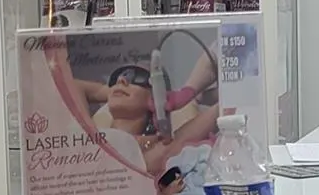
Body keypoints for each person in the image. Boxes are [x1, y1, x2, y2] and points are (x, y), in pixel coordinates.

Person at [67, 48, 219, 177]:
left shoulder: (154, 149)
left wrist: (190, 93)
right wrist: (113, 90)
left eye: (136, 77)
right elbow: (71, 86)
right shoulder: (86, 132)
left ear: (157, 97)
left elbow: (219, 109)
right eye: (116, 78)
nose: (121, 80)